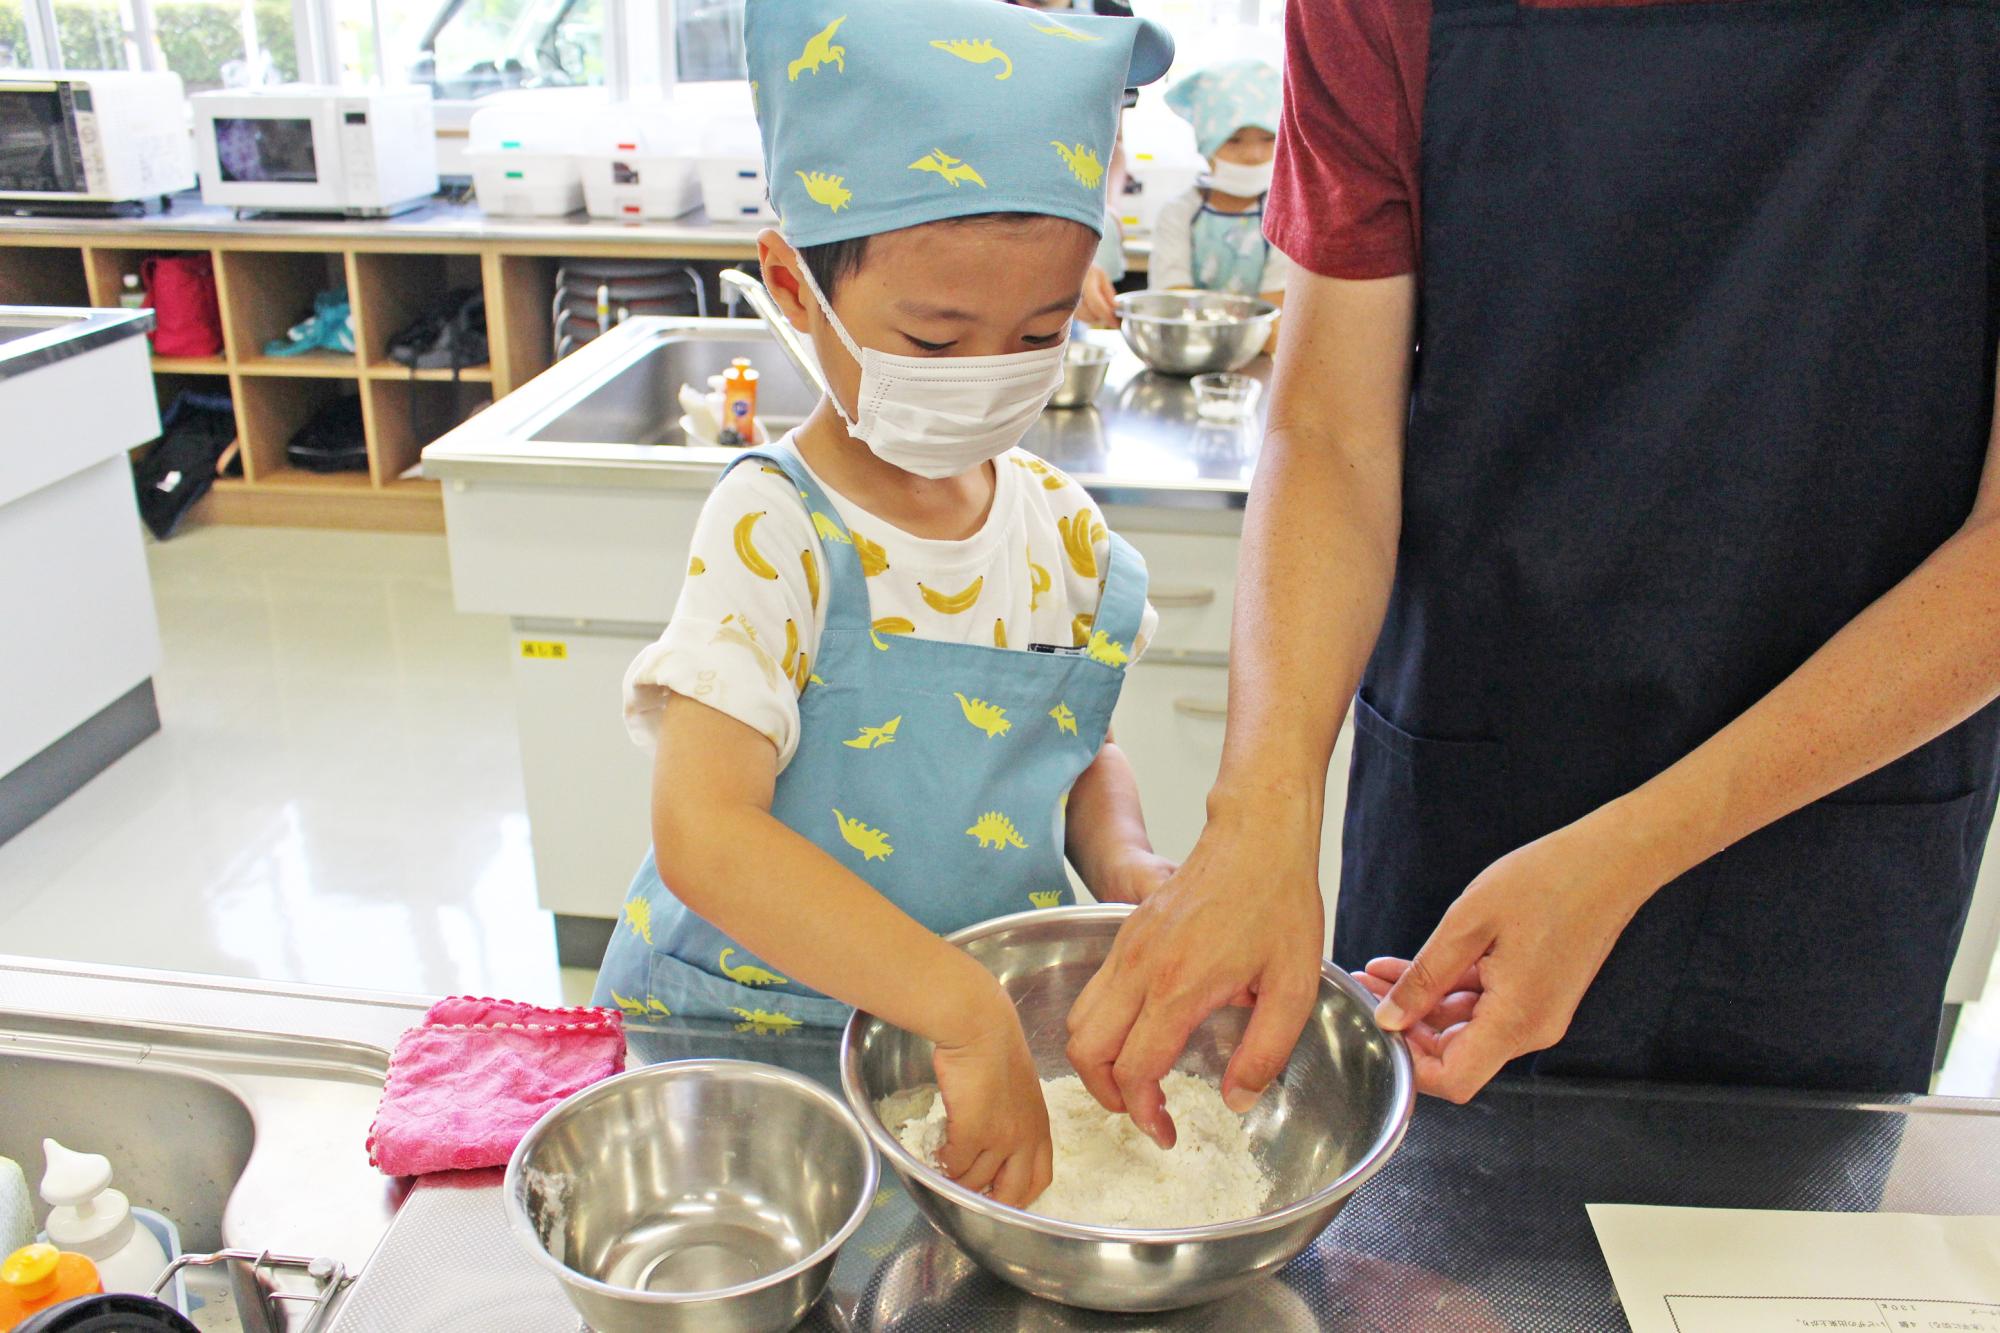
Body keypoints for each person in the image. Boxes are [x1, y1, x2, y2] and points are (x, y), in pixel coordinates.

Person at [1065, 0, 2000, 1140]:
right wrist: (1256, 813)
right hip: (1474, 771)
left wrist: (1627, 853)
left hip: (1833, 807)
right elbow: (1329, 435)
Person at [592, 0, 1175, 1209]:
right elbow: (703, 831)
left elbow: (1068, 741)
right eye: (932, 337)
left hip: (974, 1050)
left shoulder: (1061, 533)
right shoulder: (777, 531)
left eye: (1037, 331)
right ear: (794, 290)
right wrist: (956, 1007)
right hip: (762, 1045)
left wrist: (1121, 858)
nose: (987, 378)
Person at [1149, 59, 1290, 348]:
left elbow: (1276, 316)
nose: (1253, 154)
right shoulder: (1179, 214)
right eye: (1234, 140)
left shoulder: (1284, 216)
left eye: (1267, 139)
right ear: (1207, 144)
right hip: (1187, 349)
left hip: (1259, 359)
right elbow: (1174, 303)